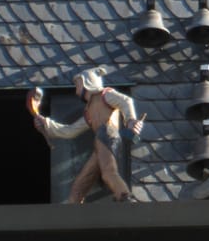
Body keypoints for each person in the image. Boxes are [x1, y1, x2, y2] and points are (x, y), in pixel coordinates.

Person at [32, 66, 144, 203]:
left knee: (108, 172)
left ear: (87, 83)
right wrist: (46, 124)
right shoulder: (88, 111)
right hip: (100, 142)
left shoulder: (105, 95)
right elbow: (70, 131)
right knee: (79, 186)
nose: (76, 90)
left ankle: (126, 197)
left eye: (78, 84)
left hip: (107, 134)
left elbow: (126, 101)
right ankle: (73, 211)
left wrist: (130, 120)